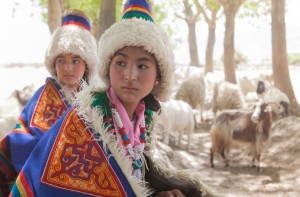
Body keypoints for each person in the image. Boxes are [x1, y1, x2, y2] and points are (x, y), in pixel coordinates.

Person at [10, 1, 217, 196]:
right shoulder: (86, 120)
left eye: (142, 66)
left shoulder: (143, 119)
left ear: (158, 77)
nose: (129, 75)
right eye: (120, 63)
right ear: (107, 67)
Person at [0, 9, 98, 196]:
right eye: (62, 61)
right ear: (54, 64)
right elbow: (28, 136)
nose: (68, 68)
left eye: (75, 61)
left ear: (87, 64)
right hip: (40, 176)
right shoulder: (42, 95)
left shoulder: (96, 100)